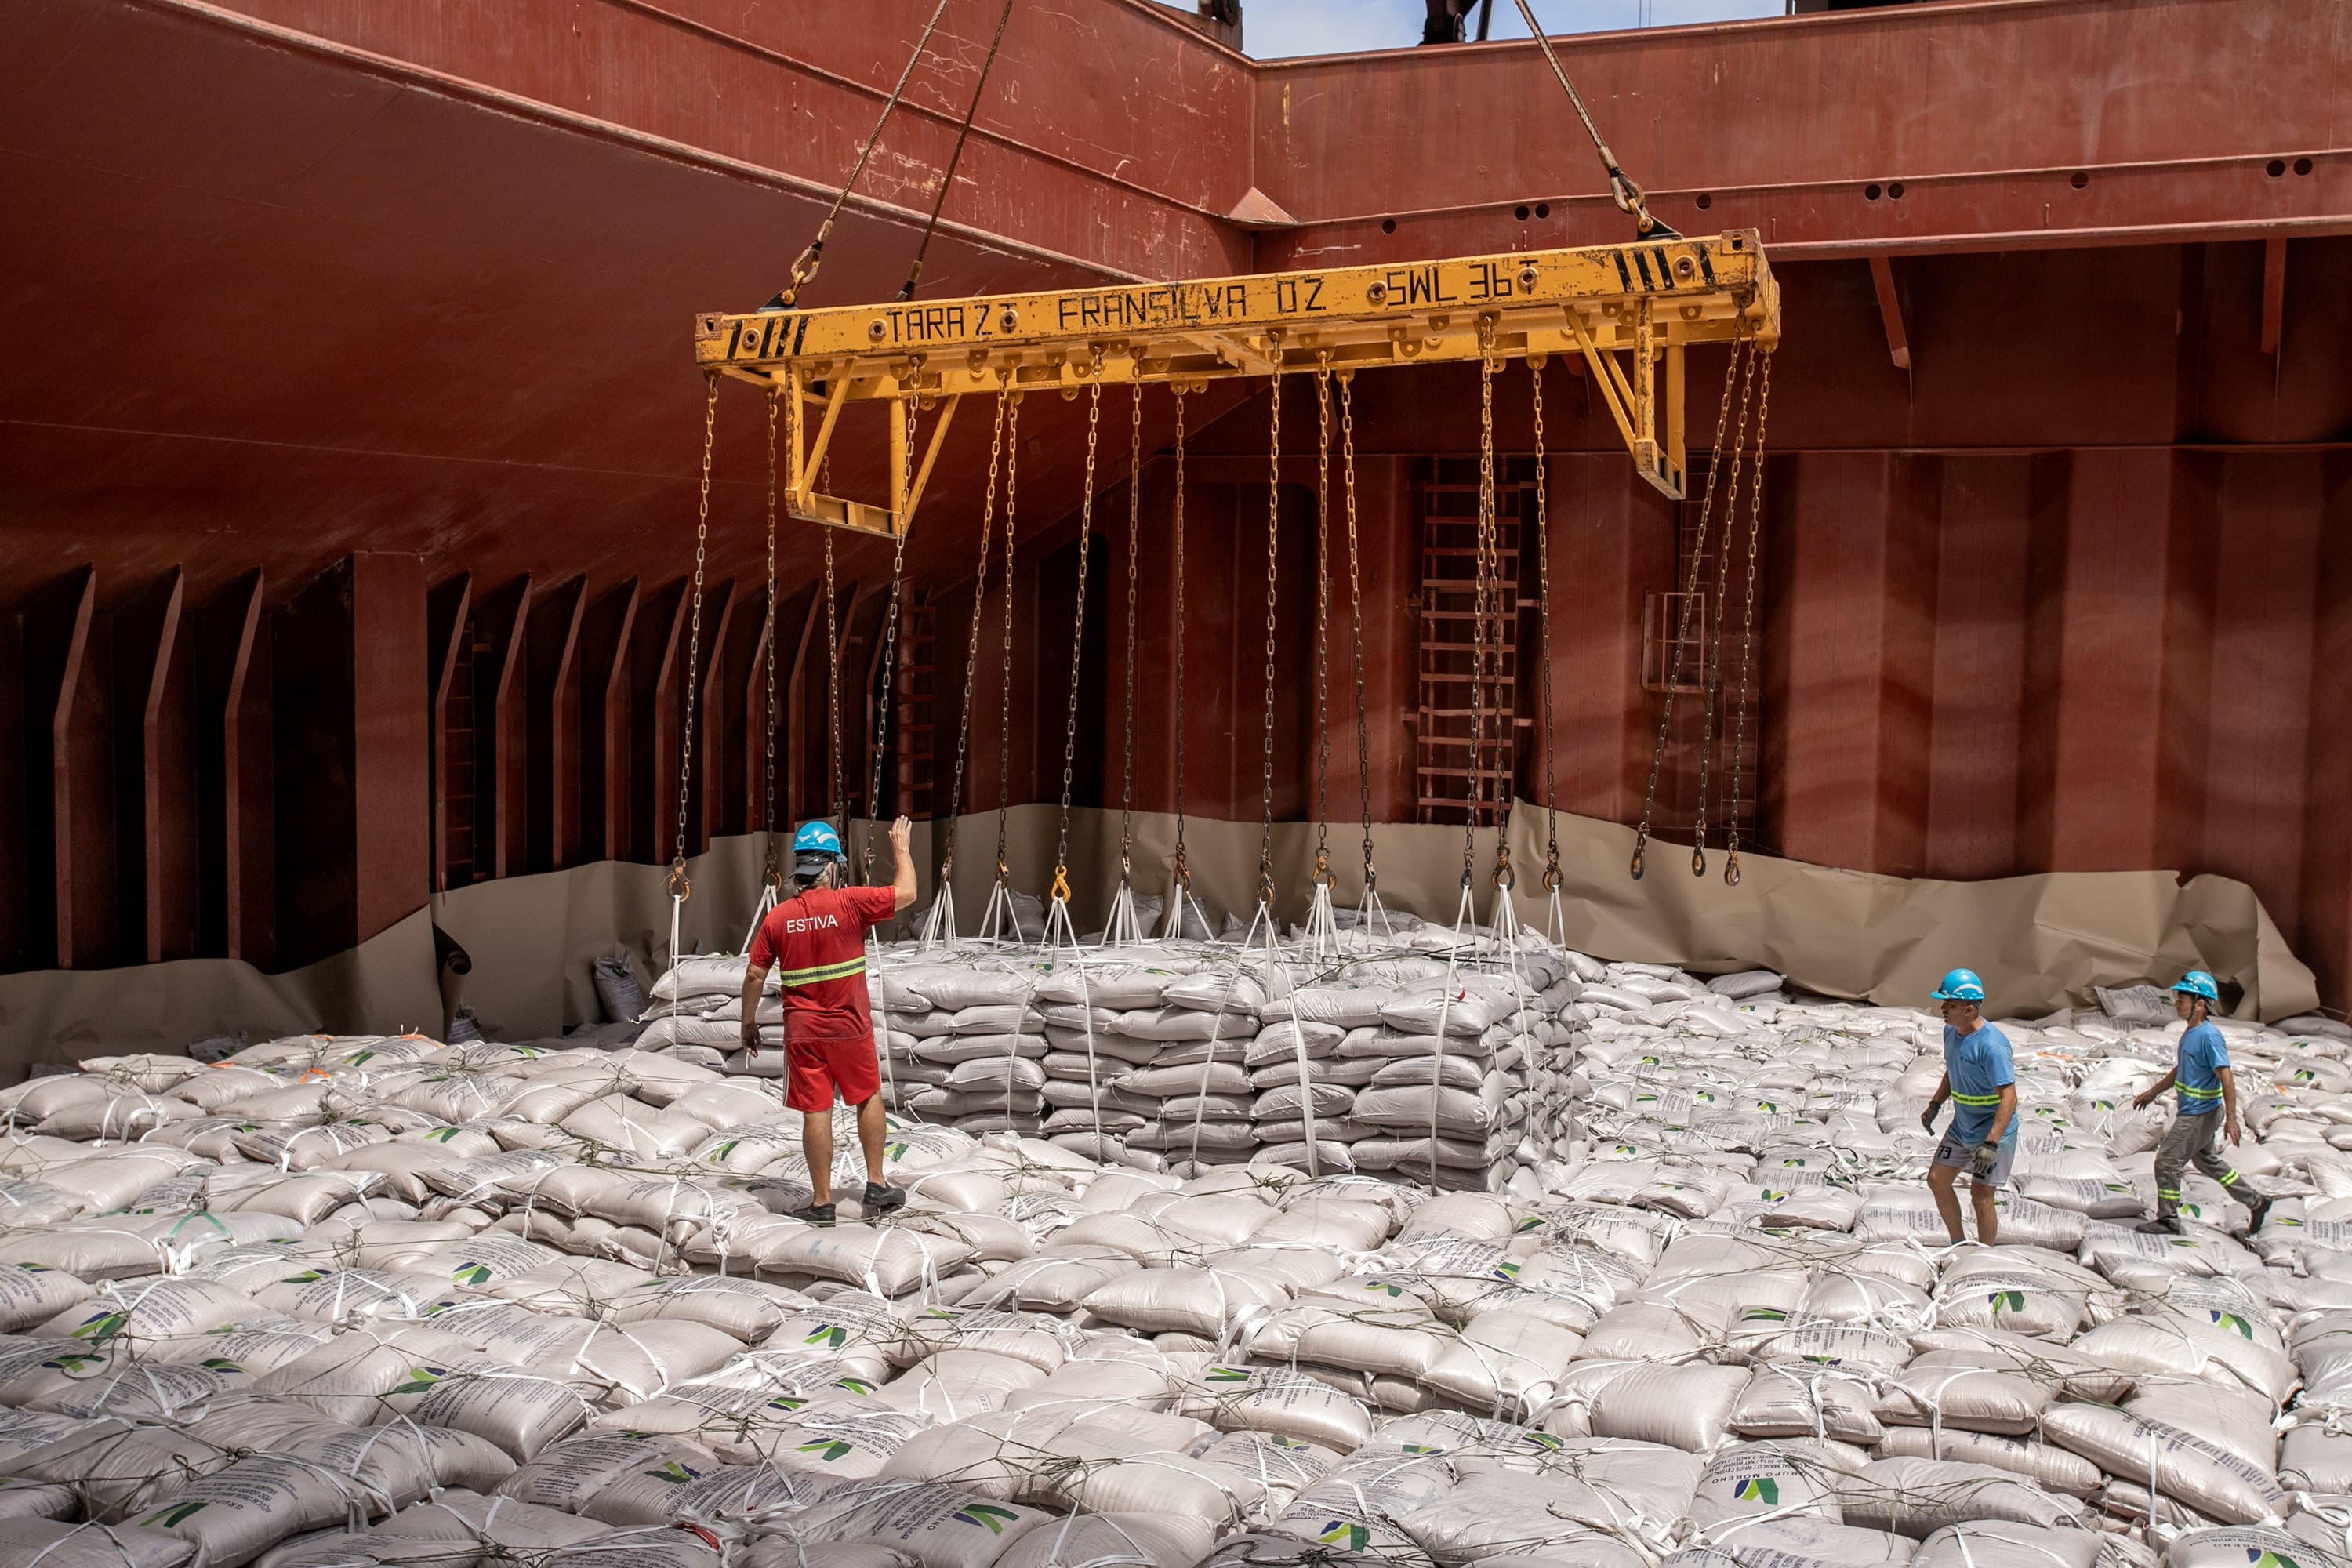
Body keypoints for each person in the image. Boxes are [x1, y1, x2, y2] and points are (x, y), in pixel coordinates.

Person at [741, 816, 917, 1225]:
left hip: (803, 1033)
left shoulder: (778, 918)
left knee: (816, 1112)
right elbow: (907, 892)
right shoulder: (851, 902)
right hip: (850, 1027)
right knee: (867, 1096)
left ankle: (822, 1203)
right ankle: (876, 1185)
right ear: (832, 866)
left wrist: (748, 1023)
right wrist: (901, 849)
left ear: (799, 867)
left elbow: (754, 975)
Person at [2132, 970, 2272, 1236]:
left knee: (2166, 1161)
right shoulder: (2190, 1033)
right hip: (2195, 1111)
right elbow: (2181, 1069)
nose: (2177, 1004)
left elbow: (2227, 1079)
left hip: (2200, 1114)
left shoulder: (2209, 1036)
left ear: (2199, 1003)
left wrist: (2232, 1119)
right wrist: (2152, 1092)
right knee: (2206, 1161)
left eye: (2182, 999)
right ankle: (2257, 1201)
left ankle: (2168, 1219)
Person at [1918, 967, 2019, 1245]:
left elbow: (2009, 1098)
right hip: (1962, 1128)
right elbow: (1953, 1070)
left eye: (1950, 1004)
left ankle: (1984, 1255)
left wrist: (1991, 1143)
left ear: (1970, 1009)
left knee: (1981, 1195)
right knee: (1937, 1179)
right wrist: (1936, 1104)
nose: (1943, 1009)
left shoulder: (1992, 1046)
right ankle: (1958, 1243)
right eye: (1944, 1003)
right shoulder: (1951, 1033)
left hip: (1992, 1132)